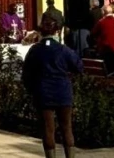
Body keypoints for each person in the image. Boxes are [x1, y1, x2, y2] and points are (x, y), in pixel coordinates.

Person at [22, 14, 83, 158]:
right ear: (57, 31)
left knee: (48, 130)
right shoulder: (64, 50)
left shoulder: (35, 50)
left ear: (41, 31)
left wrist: (32, 90)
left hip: (43, 92)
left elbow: (26, 74)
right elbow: (79, 67)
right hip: (62, 91)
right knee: (66, 127)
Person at [91, 5, 114, 75]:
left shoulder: (101, 22)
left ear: (103, 12)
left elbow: (93, 33)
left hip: (105, 49)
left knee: (107, 68)